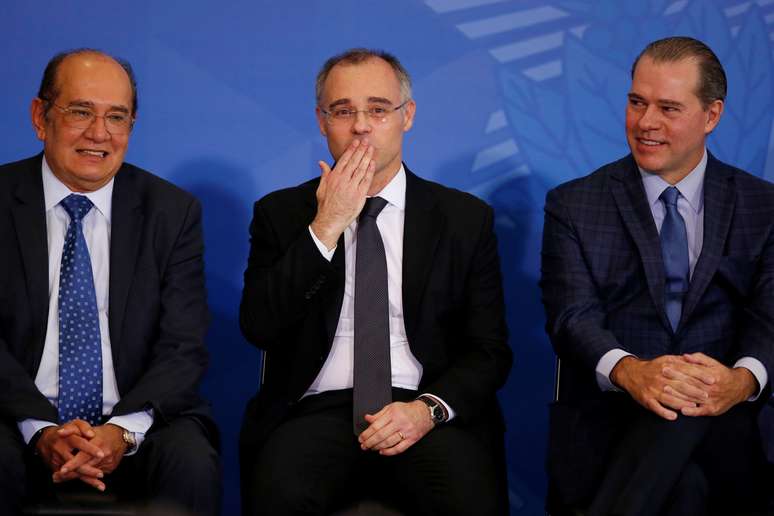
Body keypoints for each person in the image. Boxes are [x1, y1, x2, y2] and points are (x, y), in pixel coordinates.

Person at [239, 48, 512, 516]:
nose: (361, 125)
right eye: (343, 111)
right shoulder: (281, 215)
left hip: (423, 412)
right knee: (280, 495)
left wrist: (427, 410)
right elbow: (260, 327)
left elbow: (489, 350)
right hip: (315, 412)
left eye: (378, 109)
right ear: (322, 121)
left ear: (407, 116)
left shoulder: (464, 219)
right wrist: (325, 227)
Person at [541, 36, 773, 516]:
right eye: (636, 102)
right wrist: (634, 372)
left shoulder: (762, 207)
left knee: (692, 416)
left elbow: (771, 317)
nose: (646, 123)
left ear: (711, 116)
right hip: (611, 414)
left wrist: (742, 381)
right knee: (684, 490)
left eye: (668, 108)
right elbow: (572, 317)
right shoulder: (575, 203)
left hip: (724, 415)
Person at [0, 49, 220, 515]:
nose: (99, 134)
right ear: (41, 117)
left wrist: (120, 432)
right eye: (81, 111)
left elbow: (184, 344)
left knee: (191, 461)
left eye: (116, 118)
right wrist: (40, 429)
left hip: (137, 419)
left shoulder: (172, 212)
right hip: (12, 416)